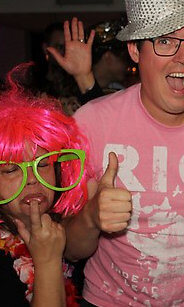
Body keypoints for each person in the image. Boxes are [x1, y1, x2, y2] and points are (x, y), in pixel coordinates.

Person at [63, 0, 184, 305]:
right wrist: (91, 217)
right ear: (135, 51)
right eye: (165, 40)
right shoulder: (90, 123)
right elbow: (69, 250)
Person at [0, 63, 93, 306]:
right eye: (11, 169)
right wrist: (48, 262)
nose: (32, 179)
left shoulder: (66, 229)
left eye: (42, 165)